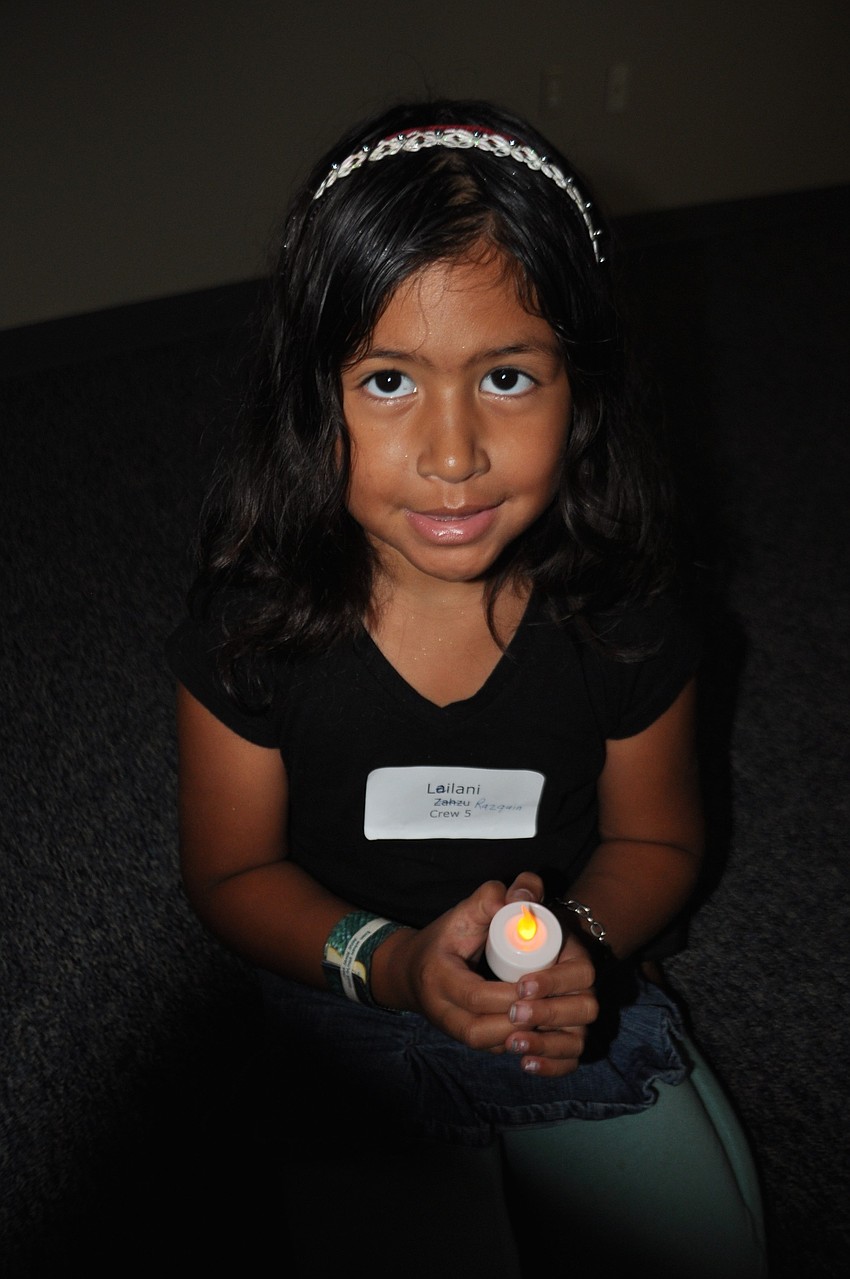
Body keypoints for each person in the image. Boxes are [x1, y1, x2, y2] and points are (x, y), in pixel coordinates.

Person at [166, 99, 767, 1277]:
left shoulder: (628, 618)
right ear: (309, 398)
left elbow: (656, 838)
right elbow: (232, 873)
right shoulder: (251, 632)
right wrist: (389, 965)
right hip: (346, 981)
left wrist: (575, 952)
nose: (451, 453)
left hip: (563, 979)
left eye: (505, 376)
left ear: (580, 389)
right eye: (388, 381)